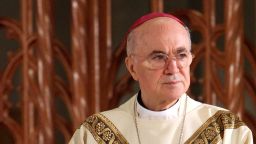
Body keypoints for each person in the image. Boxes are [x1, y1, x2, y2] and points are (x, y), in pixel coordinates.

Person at [69, 12, 253, 144]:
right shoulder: (95, 134)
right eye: (158, 57)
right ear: (132, 67)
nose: (173, 68)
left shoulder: (226, 130)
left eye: (181, 55)